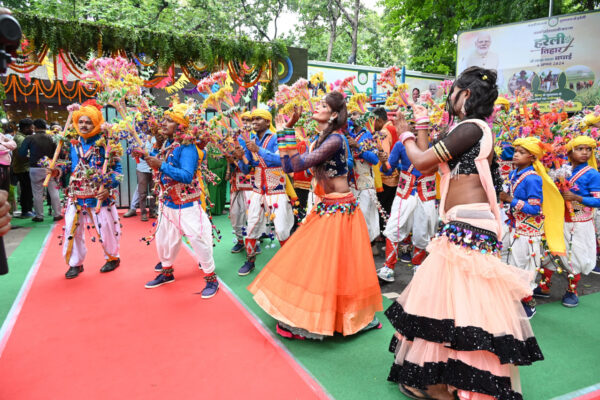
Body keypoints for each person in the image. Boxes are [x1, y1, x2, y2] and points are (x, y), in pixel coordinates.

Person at [385, 67, 542, 400]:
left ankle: (446, 383)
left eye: (453, 92)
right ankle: (440, 380)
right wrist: (422, 124)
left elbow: (423, 162)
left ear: (466, 95)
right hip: (462, 221)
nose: (449, 98)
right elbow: (434, 160)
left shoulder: (472, 128)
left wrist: (405, 134)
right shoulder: (467, 129)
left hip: (466, 224)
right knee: (447, 301)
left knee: (453, 301)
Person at [248, 92, 383, 340]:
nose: (317, 107)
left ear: (333, 114)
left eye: (323, 105)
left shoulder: (335, 140)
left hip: (341, 209)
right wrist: (287, 129)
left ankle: (341, 317)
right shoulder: (321, 139)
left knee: (335, 266)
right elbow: (288, 166)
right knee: (320, 262)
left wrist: (285, 131)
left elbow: (297, 164)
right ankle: (325, 313)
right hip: (327, 206)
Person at [143, 104, 219, 299]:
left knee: (197, 238)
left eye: (169, 120)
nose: (164, 123)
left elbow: (186, 176)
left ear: (180, 126)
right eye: (165, 119)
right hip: (166, 202)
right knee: (164, 240)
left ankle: (211, 278)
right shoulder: (167, 144)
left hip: (186, 203)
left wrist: (161, 165)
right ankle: (167, 273)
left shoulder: (187, 147)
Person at [56, 100, 122, 279]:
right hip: (76, 195)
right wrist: (58, 171)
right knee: (71, 229)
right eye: (81, 122)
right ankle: (75, 264)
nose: (84, 125)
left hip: (99, 196)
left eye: (88, 122)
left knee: (106, 229)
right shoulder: (73, 143)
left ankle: (112, 258)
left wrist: (108, 188)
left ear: (96, 123)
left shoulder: (107, 142)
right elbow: (71, 167)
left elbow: (118, 171)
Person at [499, 137, 565, 318]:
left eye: (521, 152)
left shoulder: (533, 178)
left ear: (532, 157)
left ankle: (529, 304)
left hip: (527, 232)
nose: (516, 155)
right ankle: (510, 299)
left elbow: (535, 208)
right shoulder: (514, 174)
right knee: (505, 262)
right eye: (515, 151)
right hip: (512, 227)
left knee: (523, 269)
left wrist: (510, 200)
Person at [534, 136, 600, 308]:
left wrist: (576, 198)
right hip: (557, 217)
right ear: (570, 152)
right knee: (549, 250)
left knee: (573, 256)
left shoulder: (592, 174)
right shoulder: (561, 168)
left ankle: (572, 290)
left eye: (588, 149)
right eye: (580, 149)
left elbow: (597, 200)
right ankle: (545, 286)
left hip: (577, 221)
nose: (585, 152)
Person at [236, 109, 294, 276]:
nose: (254, 121)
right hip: (256, 191)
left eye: (258, 118)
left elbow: (282, 161)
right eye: (253, 119)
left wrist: (258, 150)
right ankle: (250, 261)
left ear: (268, 122)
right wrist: (240, 158)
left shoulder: (276, 138)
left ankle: (289, 263)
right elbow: (247, 170)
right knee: (252, 225)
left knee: (282, 229)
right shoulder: (251, 140)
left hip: (276, 190)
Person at [377, 138, 437, 282]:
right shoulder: (400, 145)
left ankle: (418, 266)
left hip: (426, 194)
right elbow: (388, 169)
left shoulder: (434, 144)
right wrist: (383, 161)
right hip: (405, 193)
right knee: (393, 228)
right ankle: (388, 268)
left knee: (422, 231)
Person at [18, 120, 62, 222]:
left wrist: (30, 156)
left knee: (37, 192)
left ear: (34, 127)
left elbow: (21, 153)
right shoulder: (53, 138)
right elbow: (59, 153)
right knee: (54, 191)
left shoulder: (29, 138)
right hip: (50, 167)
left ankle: (39, 216)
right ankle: (57, 214)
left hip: (35, 168)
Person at [227, 111, 253, 253]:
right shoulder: (233, 139)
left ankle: (254, 241)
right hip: (237, 182)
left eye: (248, 120)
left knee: (253, 215)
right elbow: (229, 158)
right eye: (243, 120)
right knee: (236, 214)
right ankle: (239, 240)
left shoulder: (254, 139)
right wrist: (231, 163)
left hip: (252, 184)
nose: (245, 123)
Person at [372, 107, 398, 225]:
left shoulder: (383, 132)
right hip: (396, 175)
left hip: (386, 176)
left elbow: (384, 155)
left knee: (383, 207)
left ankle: (384, 233)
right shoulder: (394, 128)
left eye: (373, 121)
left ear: (379, 120)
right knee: (390, 206)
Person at [12, 119, 34, 218]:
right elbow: (22, 155)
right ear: (25, 128)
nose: (33, 129)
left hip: (25, 167)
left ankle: (28, 209)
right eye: (31, 128)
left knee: (28, 189)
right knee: (26, 190)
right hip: (22, 168)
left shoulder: (23, 137)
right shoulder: (20, 138)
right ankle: (25, 210)